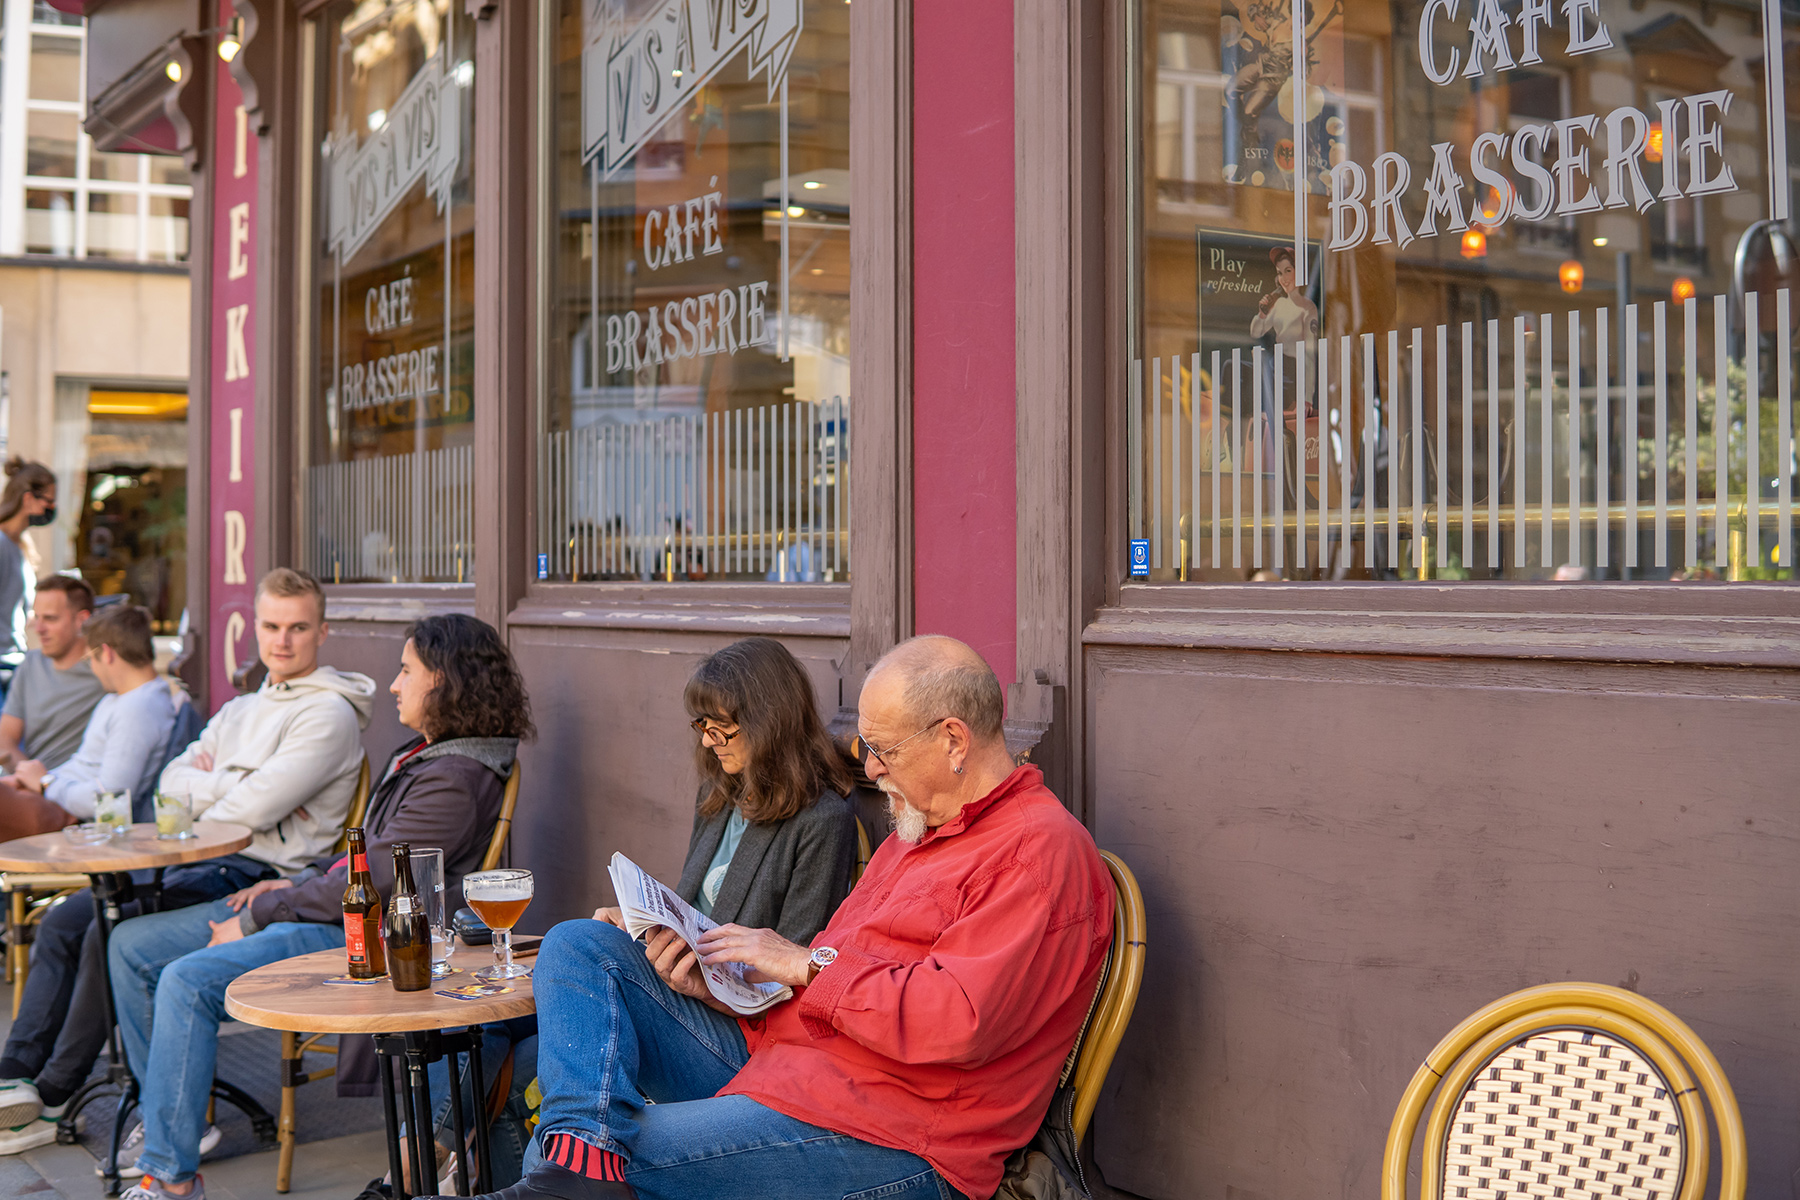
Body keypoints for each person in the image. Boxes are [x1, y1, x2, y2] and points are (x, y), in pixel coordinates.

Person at [447, 634, 1115, 1200]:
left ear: (953, 741)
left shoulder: (1037, 854)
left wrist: (803, 961)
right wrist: (717, 983)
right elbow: (829, 980)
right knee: (582, 947)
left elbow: (955, 1020)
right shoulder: (920, 832)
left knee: (622, 1150)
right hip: (787, 1063)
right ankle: (574, 1158)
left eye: (882, 750)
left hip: (895, 1132)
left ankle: (571, 1170)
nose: (871, 769)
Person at [371, 636, 860, 1197]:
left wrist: (698, 974)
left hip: (732, 1028)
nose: (708, 739)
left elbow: (793, 969)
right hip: (679, 988)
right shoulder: (721, 795)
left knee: (568, 960)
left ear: (769, 720)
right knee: (489, 1030)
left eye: (723, 727)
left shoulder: (822, 819)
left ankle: (430, 1176)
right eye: (701, 724)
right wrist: (644, 923)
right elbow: (693, 912)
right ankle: (432, 1172)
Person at [110, 613, 534, 1200]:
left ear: (444, 680)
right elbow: (355, 860)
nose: (394, 684)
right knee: (130, 945)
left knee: (186, 980)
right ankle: (170, 1114)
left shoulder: (457, 776)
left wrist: (262, 911)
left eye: (406, 670)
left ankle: (171, 1176)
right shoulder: (431, 754)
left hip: (365, 939)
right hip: (328, 910)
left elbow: (375, 883)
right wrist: (281, 891)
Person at [0, 568, 374, 1147]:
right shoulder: (245, 706)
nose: (282, 641)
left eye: (298, 628)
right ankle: (16, 1075)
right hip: (207, 861)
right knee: (67, 919)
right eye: (272, 626)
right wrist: (229, 782)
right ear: (255, 627)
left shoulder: (328, 713)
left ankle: (77, 1097)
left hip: (264, 875)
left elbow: (248, 811)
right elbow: (171, 787)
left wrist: (216, 782)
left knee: (111, 931)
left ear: (321, 632)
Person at [0, 604, 175, 841]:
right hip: (58, 801)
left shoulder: (140, 707)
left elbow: (111, 798)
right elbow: (82, 765)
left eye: (91, 658)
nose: (92, 668)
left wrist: (45, 784)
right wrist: (25, 782)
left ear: (108, 653)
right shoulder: (117, 699)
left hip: (76, 821)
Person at [0, 575, 105, 772]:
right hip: (28, 787)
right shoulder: (30, 665)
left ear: (81, 620)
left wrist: (47, 787)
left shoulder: (105, 670)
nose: (39, 629)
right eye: (36, 618)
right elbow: (5, 741)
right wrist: (33, 781)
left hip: (76, 791)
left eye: (50, 618)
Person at [0, 459, 57, 696]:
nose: (52, 507)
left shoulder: (20, 546)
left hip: (14, 664)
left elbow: (16, 612)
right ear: (27, 499)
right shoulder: (2, 546)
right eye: (49, 500)